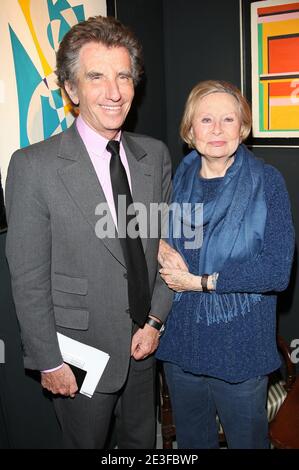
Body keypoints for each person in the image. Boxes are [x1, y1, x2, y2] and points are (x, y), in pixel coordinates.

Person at [5, 15, 173, 449]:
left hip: (144, 347)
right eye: (95, 76)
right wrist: (46, 359)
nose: (114, 92)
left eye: (123, 76)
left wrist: (155, 321)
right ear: (71, 90)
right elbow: (28, 277)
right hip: (78, 352)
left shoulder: (153, 156)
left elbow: (164, 248)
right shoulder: (32, 166)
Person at [156, 80, 295, 449]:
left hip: (240, 351)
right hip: (181, 348)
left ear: (242, 128)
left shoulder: (267, 182)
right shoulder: (177, 179)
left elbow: (277, 270)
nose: (217, 129)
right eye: (205, 120)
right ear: (190, 130)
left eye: (228, 119)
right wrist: (158, 244)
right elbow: (143, 227)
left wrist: (201, 282)